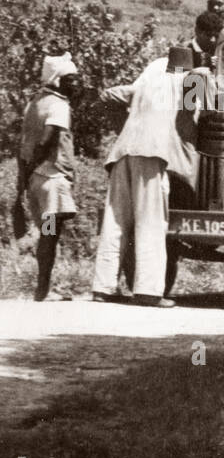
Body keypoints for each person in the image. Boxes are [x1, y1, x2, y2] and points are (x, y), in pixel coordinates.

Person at [92, 45, 214, 307]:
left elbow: (110, 95)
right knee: (150, 221)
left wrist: (119, 123)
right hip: (152, 154)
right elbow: (209, 109)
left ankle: (102, 288)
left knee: (115, 222)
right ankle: (148, 292)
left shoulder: (150, 78)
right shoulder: (190, 79)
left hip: (123, 150)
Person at [16, 53, 82, 301]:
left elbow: (23, 143)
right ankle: (43, 289)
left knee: (47, 232)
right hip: (52, 179)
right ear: (58, 80)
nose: (75, 84)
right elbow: (47, 139)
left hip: (36, 179)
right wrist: (36, 163)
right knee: (50, 234)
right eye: (70, 79)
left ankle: (42, 287)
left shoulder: (34, 102)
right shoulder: (59, 106)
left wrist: (25, 174)